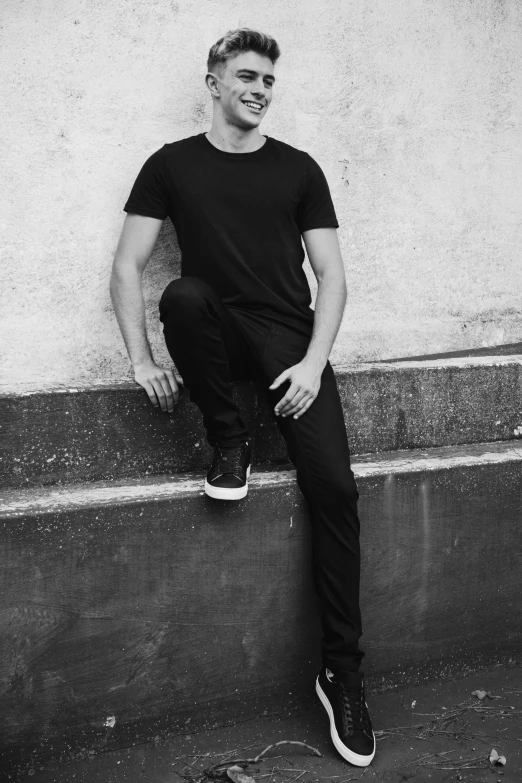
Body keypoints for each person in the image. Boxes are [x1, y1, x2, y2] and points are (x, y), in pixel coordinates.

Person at [110, 28, 375, 767]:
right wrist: (140, 357)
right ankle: (229, 442)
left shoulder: (299, 169)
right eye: (247, 76)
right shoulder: (171, 165)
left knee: (335, 490)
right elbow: (129, 266)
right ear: (215, 81)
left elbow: (334, 277)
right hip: (220, 336)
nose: (260, 89)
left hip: (291, 344)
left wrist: (315, 364)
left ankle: (343, 674)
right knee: (185, 294)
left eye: (269, 81)